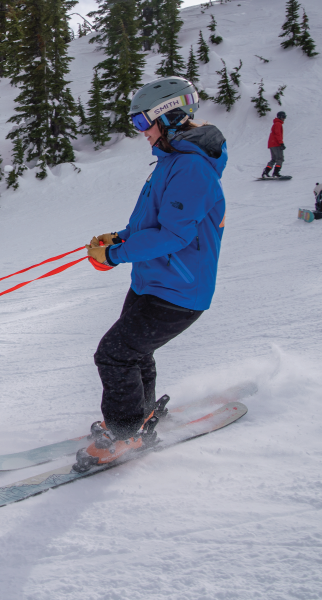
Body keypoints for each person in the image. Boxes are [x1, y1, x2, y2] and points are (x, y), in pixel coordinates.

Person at [78, 76, 227, 470]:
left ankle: (123, 435)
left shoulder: (192, 168)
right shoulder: (173, 161)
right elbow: (154, 221)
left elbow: (175, 234)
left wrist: (116, 254)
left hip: (178, 290)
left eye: (144, 123)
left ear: (171, 116)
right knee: (135, 352)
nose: (140, 133)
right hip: (155, 281)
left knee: (114, 354)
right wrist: (119, 238)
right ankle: (139, 418)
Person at [261, 111, 286, 179]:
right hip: (276, 144)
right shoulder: (278, 124)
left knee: (274, 159)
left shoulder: (276, 124)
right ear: (280, 117)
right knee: (280, 158)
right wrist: (281, 143)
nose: (284, 118)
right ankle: (276, 173)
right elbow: (278, 134)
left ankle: (266, 172)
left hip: (272, 144)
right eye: (283, 117)